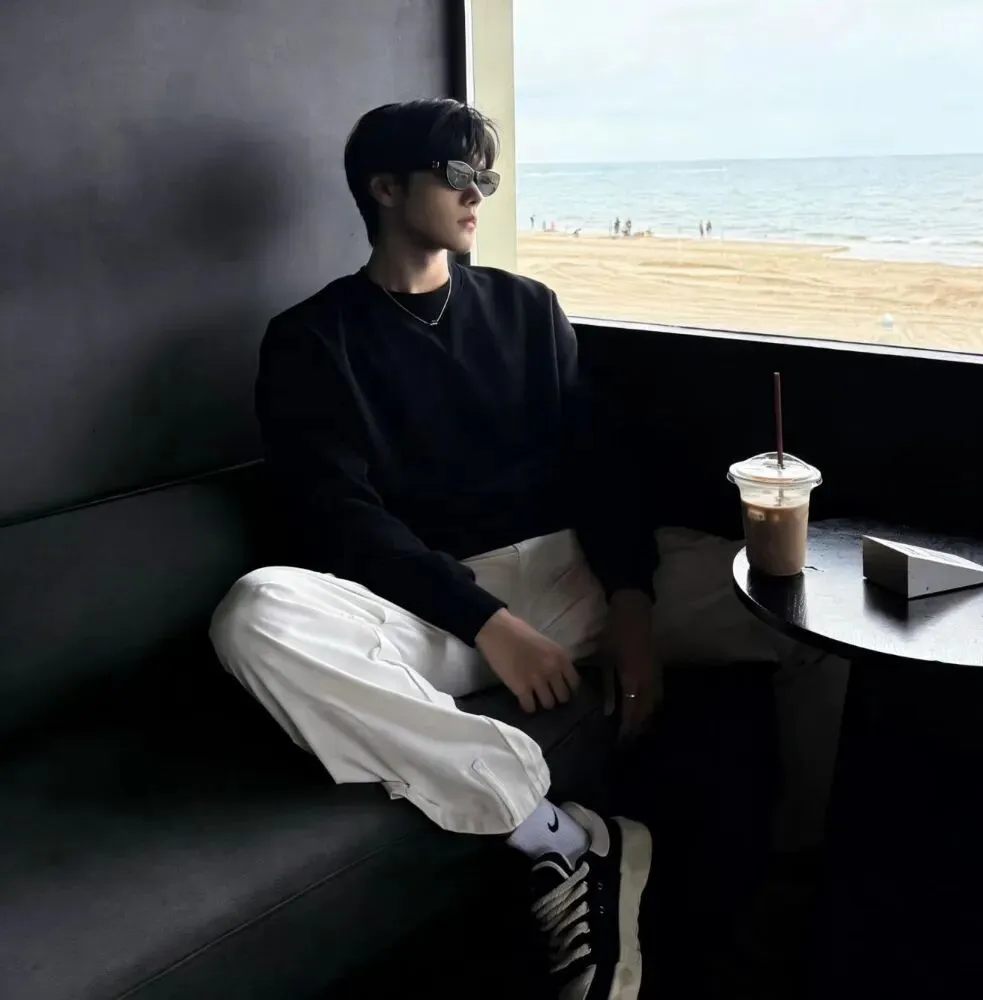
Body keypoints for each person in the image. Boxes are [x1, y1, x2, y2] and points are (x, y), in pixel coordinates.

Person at [210, 99, 847, 999]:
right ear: (384, 188)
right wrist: (492, 624)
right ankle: (557, 835)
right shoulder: (313, 339)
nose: (479, 193)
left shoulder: (527, 309)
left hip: (574, 570)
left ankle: (800, 871)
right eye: (458, 174)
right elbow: (342, 519)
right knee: (256, 613)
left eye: (488, 175)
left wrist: (632, 605)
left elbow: (601, 473)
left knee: (811, 610)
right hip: (433, 610)